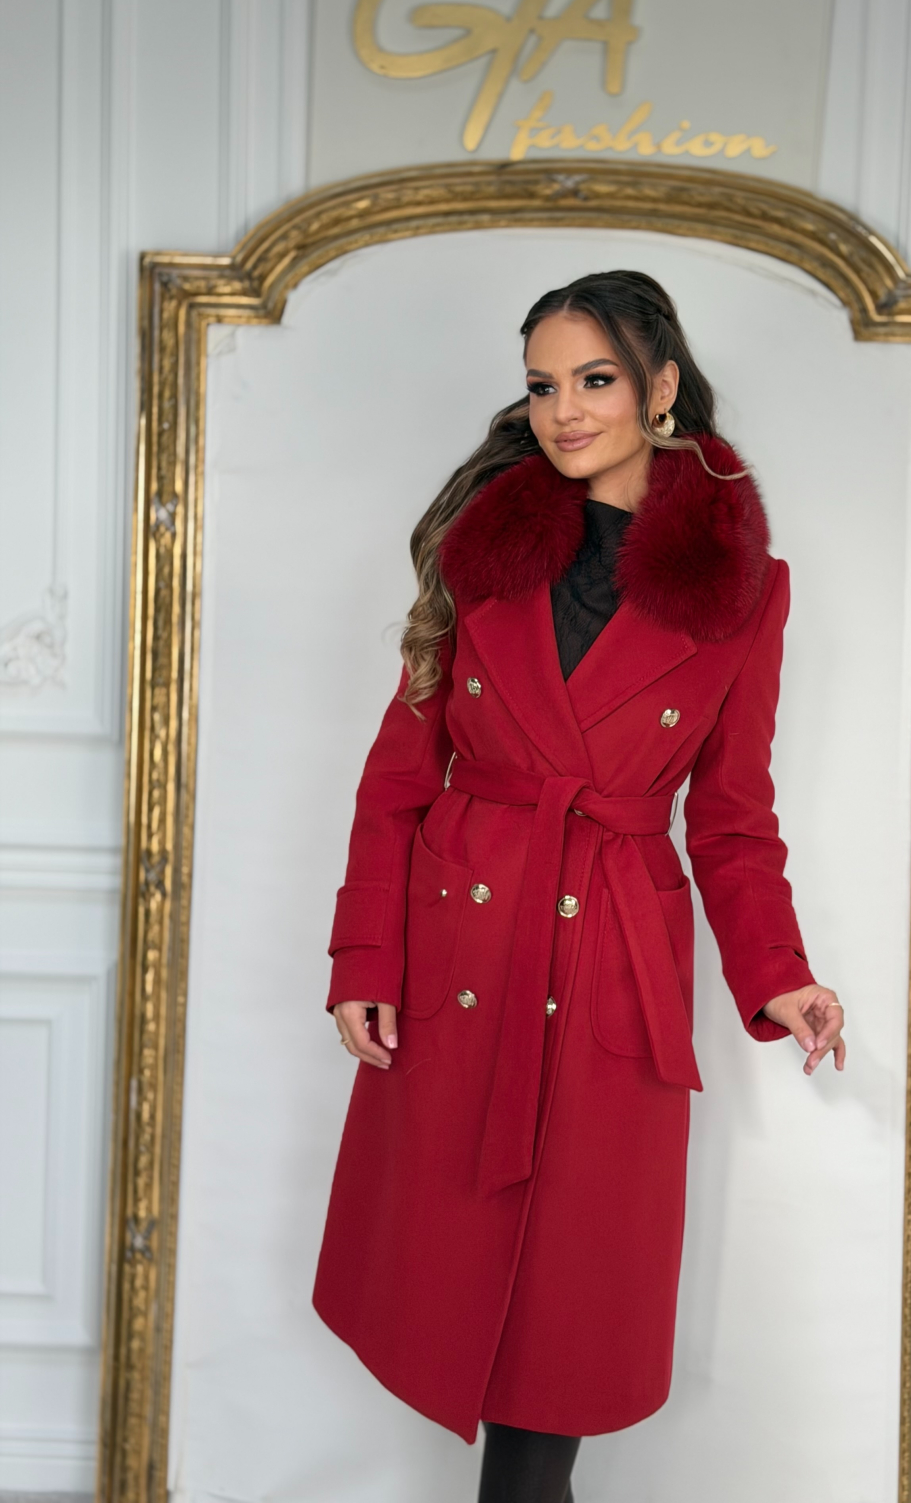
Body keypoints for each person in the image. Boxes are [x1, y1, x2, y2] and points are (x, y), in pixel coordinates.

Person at [314, 270, 846, 1503]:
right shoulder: (483, 551)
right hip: (466, 959)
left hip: (611, 964)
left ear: (661, 387)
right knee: (450, 1282)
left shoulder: (747, 590)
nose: (563, 411)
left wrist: (780, 975)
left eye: (594, 379)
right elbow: (397, 778)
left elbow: (731, 816)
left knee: (562, 1326)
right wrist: (364, 959)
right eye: (542, 384)